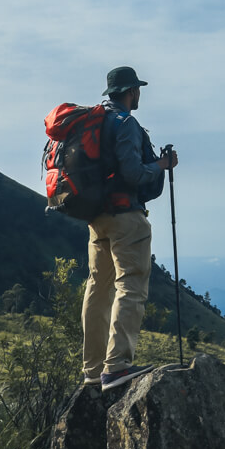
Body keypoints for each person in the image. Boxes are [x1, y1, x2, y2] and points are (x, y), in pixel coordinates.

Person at [81, 66, 178, 391]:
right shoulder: (126, 124)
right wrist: (161, 166)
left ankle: (93, 371)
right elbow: (133, 174)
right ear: (130, 91)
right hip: (126, 216)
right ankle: (117, 366)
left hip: (97, 218)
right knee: (131, 285)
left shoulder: (96, 123)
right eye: (137, 90)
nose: (139, 95)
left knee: (98, 288)